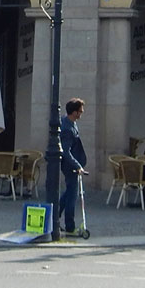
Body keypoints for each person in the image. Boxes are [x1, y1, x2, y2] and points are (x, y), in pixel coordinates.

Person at [58, 97, 89, 234]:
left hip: (72, 164)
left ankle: (55, 217)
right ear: (74, 112)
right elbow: (66, 151)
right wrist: (77, 166)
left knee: (69, 193)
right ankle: (69, 226)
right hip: (70, 166)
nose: (81, 113)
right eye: (80, 111)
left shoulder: (70, 122)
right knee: (72, 196)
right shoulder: (67, 128)